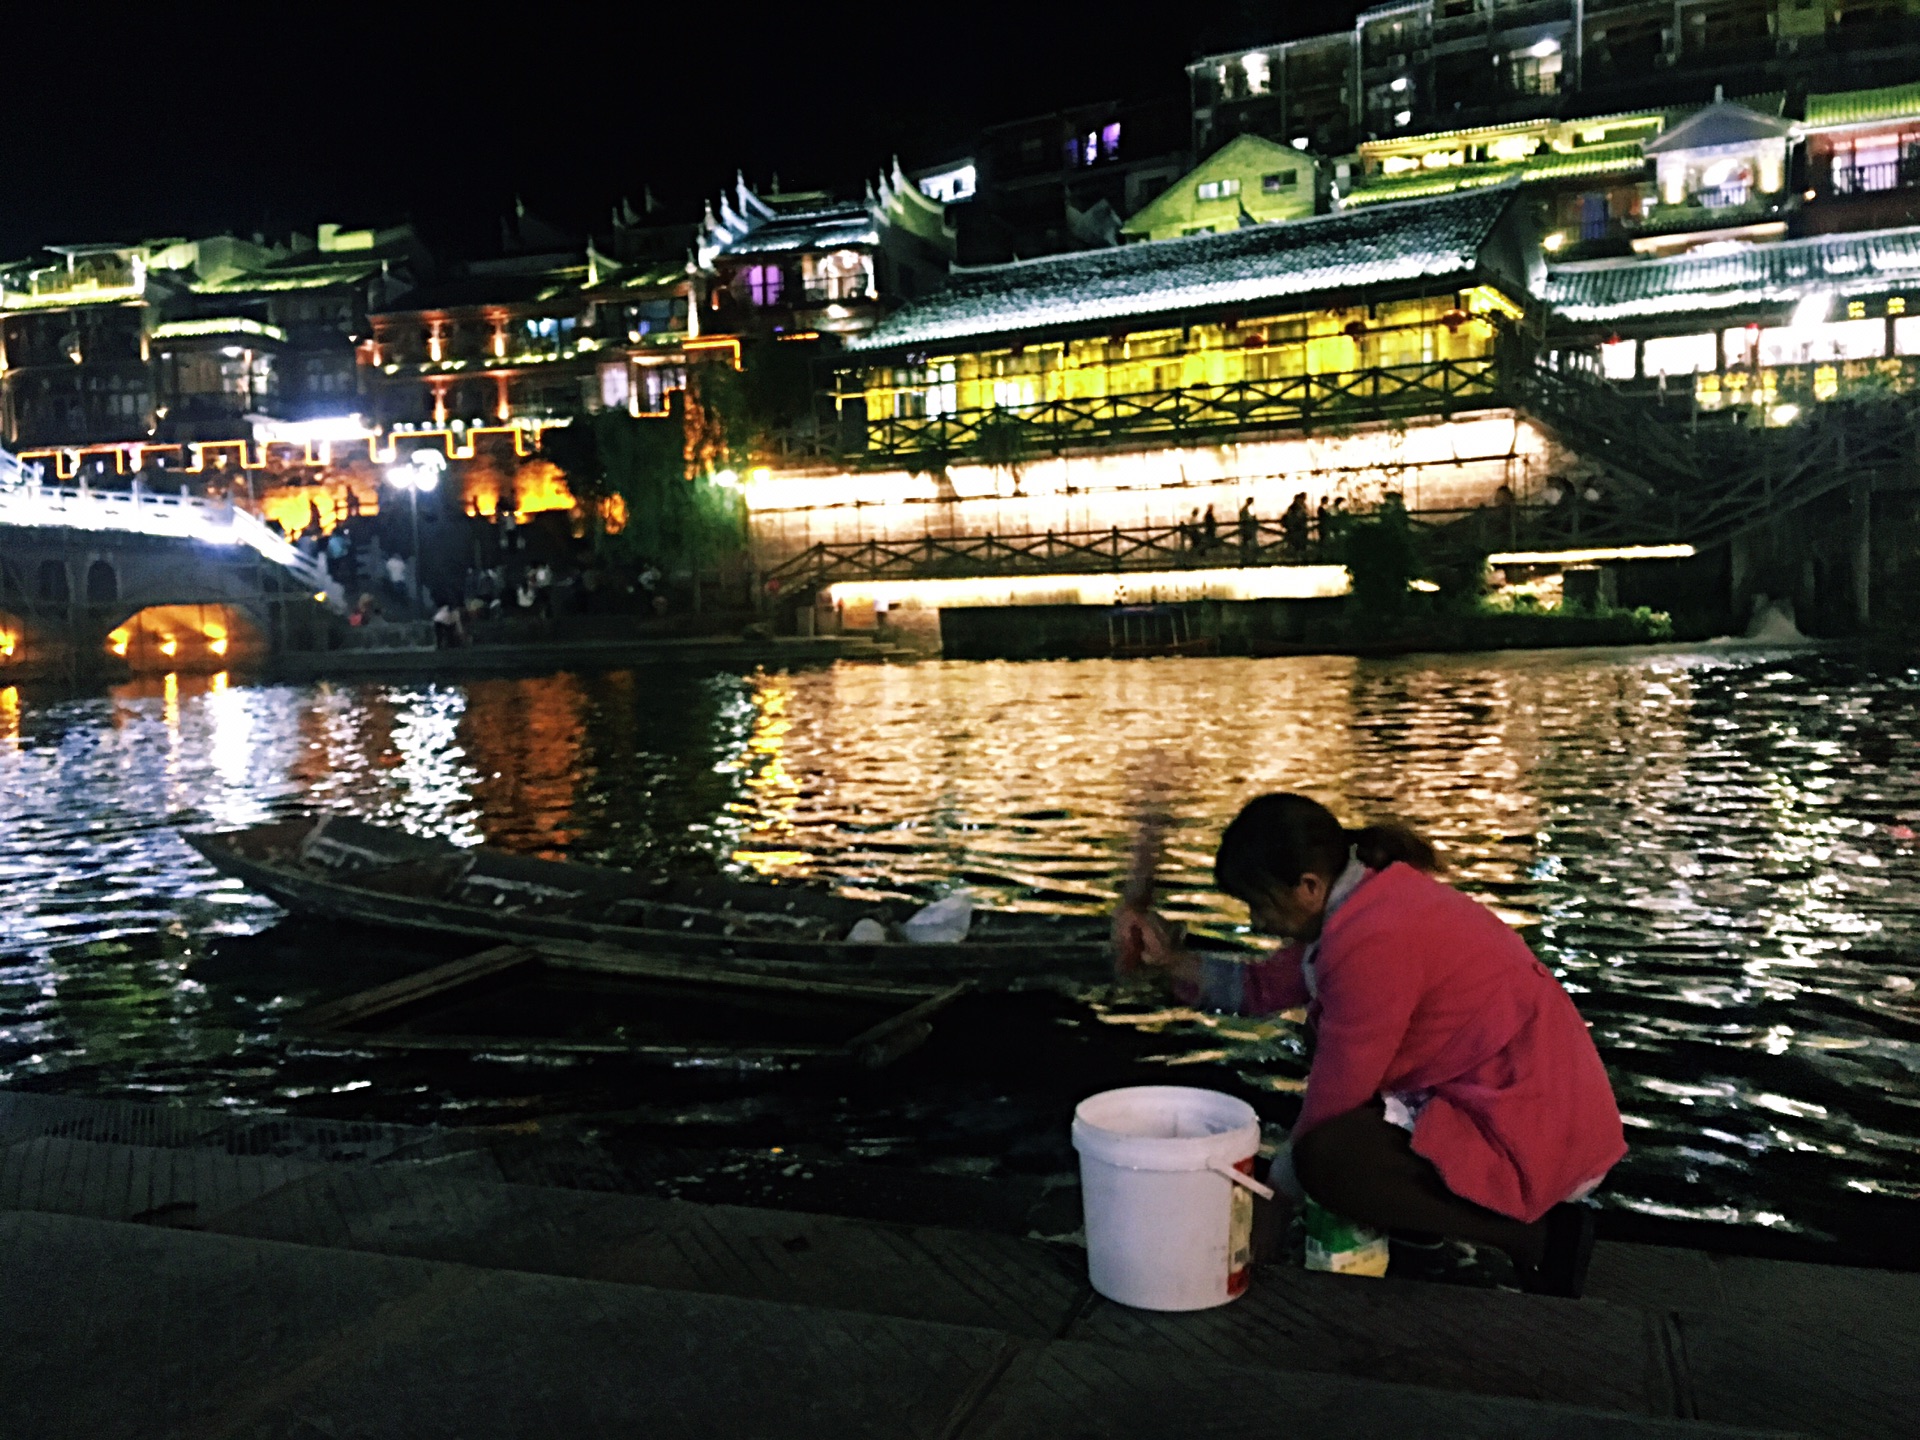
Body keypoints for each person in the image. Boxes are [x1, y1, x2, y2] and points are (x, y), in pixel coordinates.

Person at [1114, 793, 1625, 1297]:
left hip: (1535, 1124)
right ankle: (1426, 1225)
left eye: (1260, 904)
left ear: (1308, 887)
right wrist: (1172, 963)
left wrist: (1269, 1211)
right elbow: (1259, 988)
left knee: (1328, 1158)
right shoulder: (1366, 904)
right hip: (1528, 1100)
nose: (1255, 923)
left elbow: (1334, 1100)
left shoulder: (1373, 942)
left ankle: (1539, 1239)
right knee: (1334, 1136)